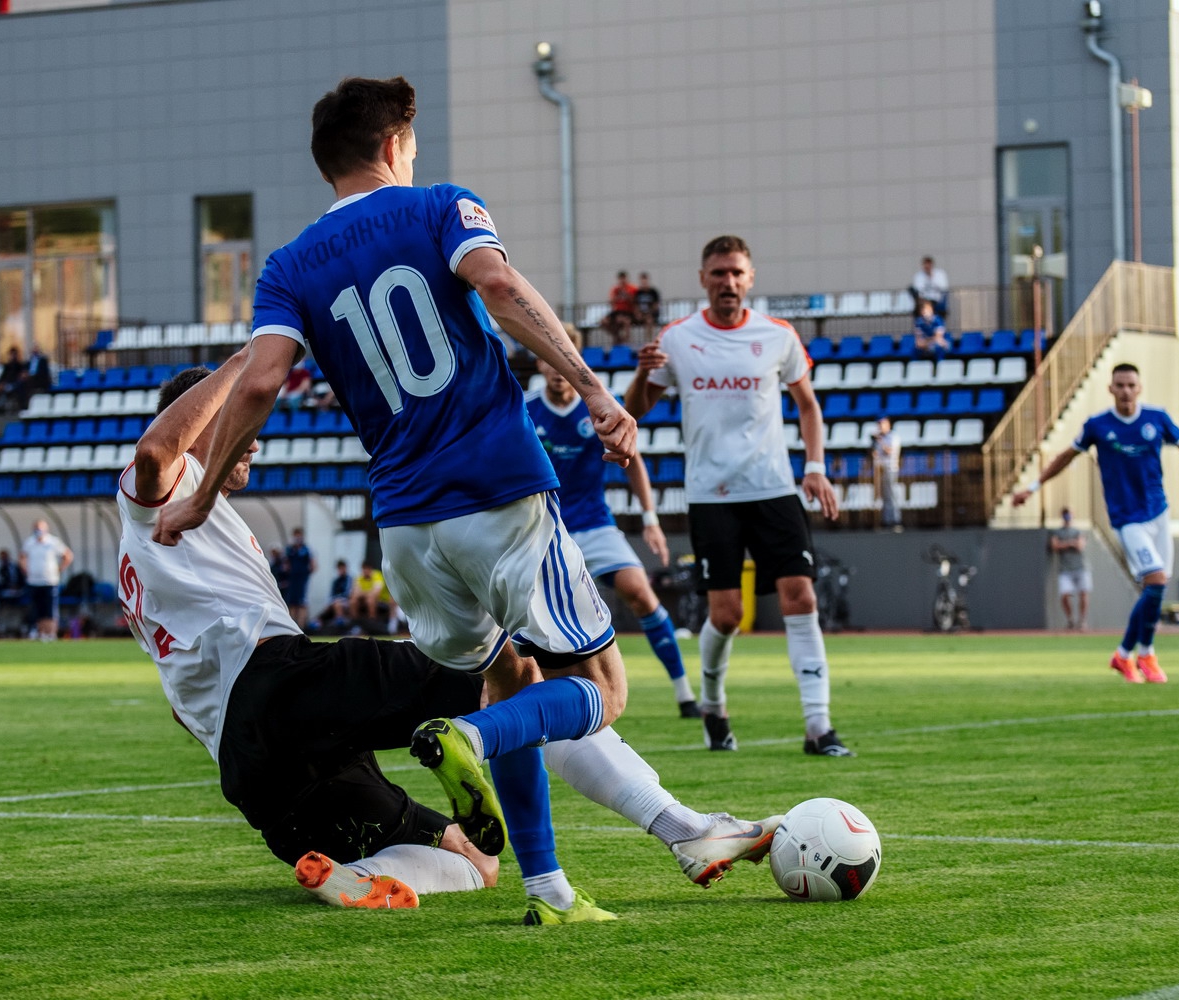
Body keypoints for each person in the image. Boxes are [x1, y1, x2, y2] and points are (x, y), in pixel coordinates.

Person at [155, 77, 774, 924]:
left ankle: (558, 884)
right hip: (497, 490)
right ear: (392, 145)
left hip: (405, 524)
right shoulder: (439, 205)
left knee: (511, 680)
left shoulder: (288, 265)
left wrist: (194, 502)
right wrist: (592, 388)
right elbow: (500, 288)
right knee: (598, 686)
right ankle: (475, 744)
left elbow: (261, 380)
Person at [127, 362, 781, 909]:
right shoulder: (163, 485)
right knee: (522, 684)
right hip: (283, 683)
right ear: (197, 420)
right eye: (238, 426)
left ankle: (356, 879)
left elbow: (185, 702)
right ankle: (681, 829)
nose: (253, 439)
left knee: (474, 862)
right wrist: (253, 358)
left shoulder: (157, 556)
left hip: (249, 767)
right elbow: (158, 451)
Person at [625, 234, 854, 758]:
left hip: (774, 488)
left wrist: (814, 468)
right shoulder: (678, 338)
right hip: (711, 494)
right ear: (703, 279)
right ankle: (712, 706)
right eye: (719, 273)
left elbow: (809, 407)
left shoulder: (778, 336)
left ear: (750, 279)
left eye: (736, 273)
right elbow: (635, 412)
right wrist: (642, 372)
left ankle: (819, 727)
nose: (728, 282)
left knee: (802, 597)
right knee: (726, 615)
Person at [526, 323, 699, 717]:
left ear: (574, 359)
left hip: (594, 523)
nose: (555, 368)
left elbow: (631, 458)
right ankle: (532, 700)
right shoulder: (524, 408)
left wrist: (650, 519)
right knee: (526, 622)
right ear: (539, 362)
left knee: (640, 593)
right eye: (547, 359)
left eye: (563, 357)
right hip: (540, 530)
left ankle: (685, 693)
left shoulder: (598, 404)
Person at [1013, 363, 1179, 682]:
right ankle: (1144, 654)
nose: (1125, 391)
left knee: (1154, 591)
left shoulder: (1156, 418)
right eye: (1119, 385)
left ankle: (1125, 656)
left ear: (1140, 388)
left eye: (1130, 385)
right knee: (1157, 581)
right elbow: (1066, 456)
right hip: (1127, 519)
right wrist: (1033, 487)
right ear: (1110, 389)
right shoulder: (1097, 426)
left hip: (1159, 514)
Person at [20, 519, 72, 642]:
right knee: (37, 609)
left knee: (50, 609)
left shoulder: (53, 542)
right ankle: (40, 632)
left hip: (49, 581)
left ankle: (51, 633)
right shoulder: (30, 542)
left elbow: (68, 556)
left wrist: (59, 569)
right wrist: (26, 570)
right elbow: (22, 557)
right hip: (34, 581)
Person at [1049, 508, 1091, 631]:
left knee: (1083, 593)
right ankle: (1070, 620)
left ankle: (1082, 621)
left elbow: (1080, 546)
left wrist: (1066, 544)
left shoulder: (1078, 531)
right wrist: (1071, 543)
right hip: (1065, 569)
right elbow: (1055, 546)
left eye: (1069, 514)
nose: (1067, 516)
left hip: (1081, 568)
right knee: (1065, 595)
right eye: (1065, 514)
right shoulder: (1057, 532)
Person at [872, 416, 902, 531]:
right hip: (881, 470)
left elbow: (889, 451)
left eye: (882, 424)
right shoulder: (880, 438)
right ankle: (887, 521)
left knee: (892, 494)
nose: (879, 426)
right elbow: (876, 454)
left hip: (891, 469)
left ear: (888, 424)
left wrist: (880, 440)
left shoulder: (893, 436)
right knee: (885, 496)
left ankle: (896, 520)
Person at [283, 527, 315, 629]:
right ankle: (292, 626)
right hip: (292, 580)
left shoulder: (306, 549)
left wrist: (305, 574)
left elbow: (313, 565)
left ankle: (301, 627)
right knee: (292, 603)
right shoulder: (290, 549)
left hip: (302, 580)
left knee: (302, 603)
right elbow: (286, 564)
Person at [604, 270, 638, 345]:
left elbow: (635, 302)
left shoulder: (632, 288)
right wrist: (617, 296)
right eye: (621, 279)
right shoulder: (615, 289)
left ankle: (626, 340)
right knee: (604, 321)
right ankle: (617, 337)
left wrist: (627, 295)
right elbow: (611, 302)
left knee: (625, 321)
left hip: (628, 311)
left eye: (624, 278)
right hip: (618, 311)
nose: (622, 281)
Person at [320, 559, 352, 630]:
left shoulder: (349, 579)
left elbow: (347, 594)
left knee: (337, 604)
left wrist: (337, 599)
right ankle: (319, 623)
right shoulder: (335, 581)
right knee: (328, 606)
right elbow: (331, 595)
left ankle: (339, 624)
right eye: (339, 568)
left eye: (342, 568)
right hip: (335, 601)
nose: (341, 570)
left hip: (346, 602)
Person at [0, 346, 27, 413]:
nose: (12, 356)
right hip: (7, 384)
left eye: (14, 354)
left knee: (20, 386)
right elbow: (2, 377)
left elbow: (23, 376)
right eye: (11, 354)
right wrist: (0, 383)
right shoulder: (7, 366)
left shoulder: (20, 365)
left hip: (16, 384)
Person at [632, 272, 661, 340]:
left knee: (649, 320)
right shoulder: (638, 293)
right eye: (642, 282)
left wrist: (649, 313)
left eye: (645, 281)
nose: (644, 283)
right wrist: (638, 313)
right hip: (642, 314)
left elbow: (656, 305)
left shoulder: (653, 292)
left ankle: (649, 339)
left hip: (651, 314)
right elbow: (636, 305)